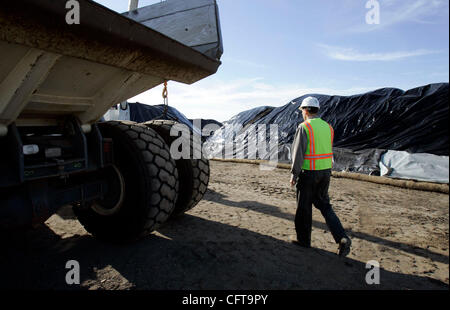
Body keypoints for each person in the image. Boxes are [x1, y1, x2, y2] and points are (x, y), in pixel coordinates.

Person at [290, 96, 351, 257]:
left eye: (302, 110)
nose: (302, 113)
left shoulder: (305, 127)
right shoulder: (328, 127)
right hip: (325, 173)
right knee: (325, 206)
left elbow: (298, 154)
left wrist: (294, 174)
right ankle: (342, 238)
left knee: (304, 208)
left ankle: (304, 241)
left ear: (306, 110)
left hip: (308, 174)